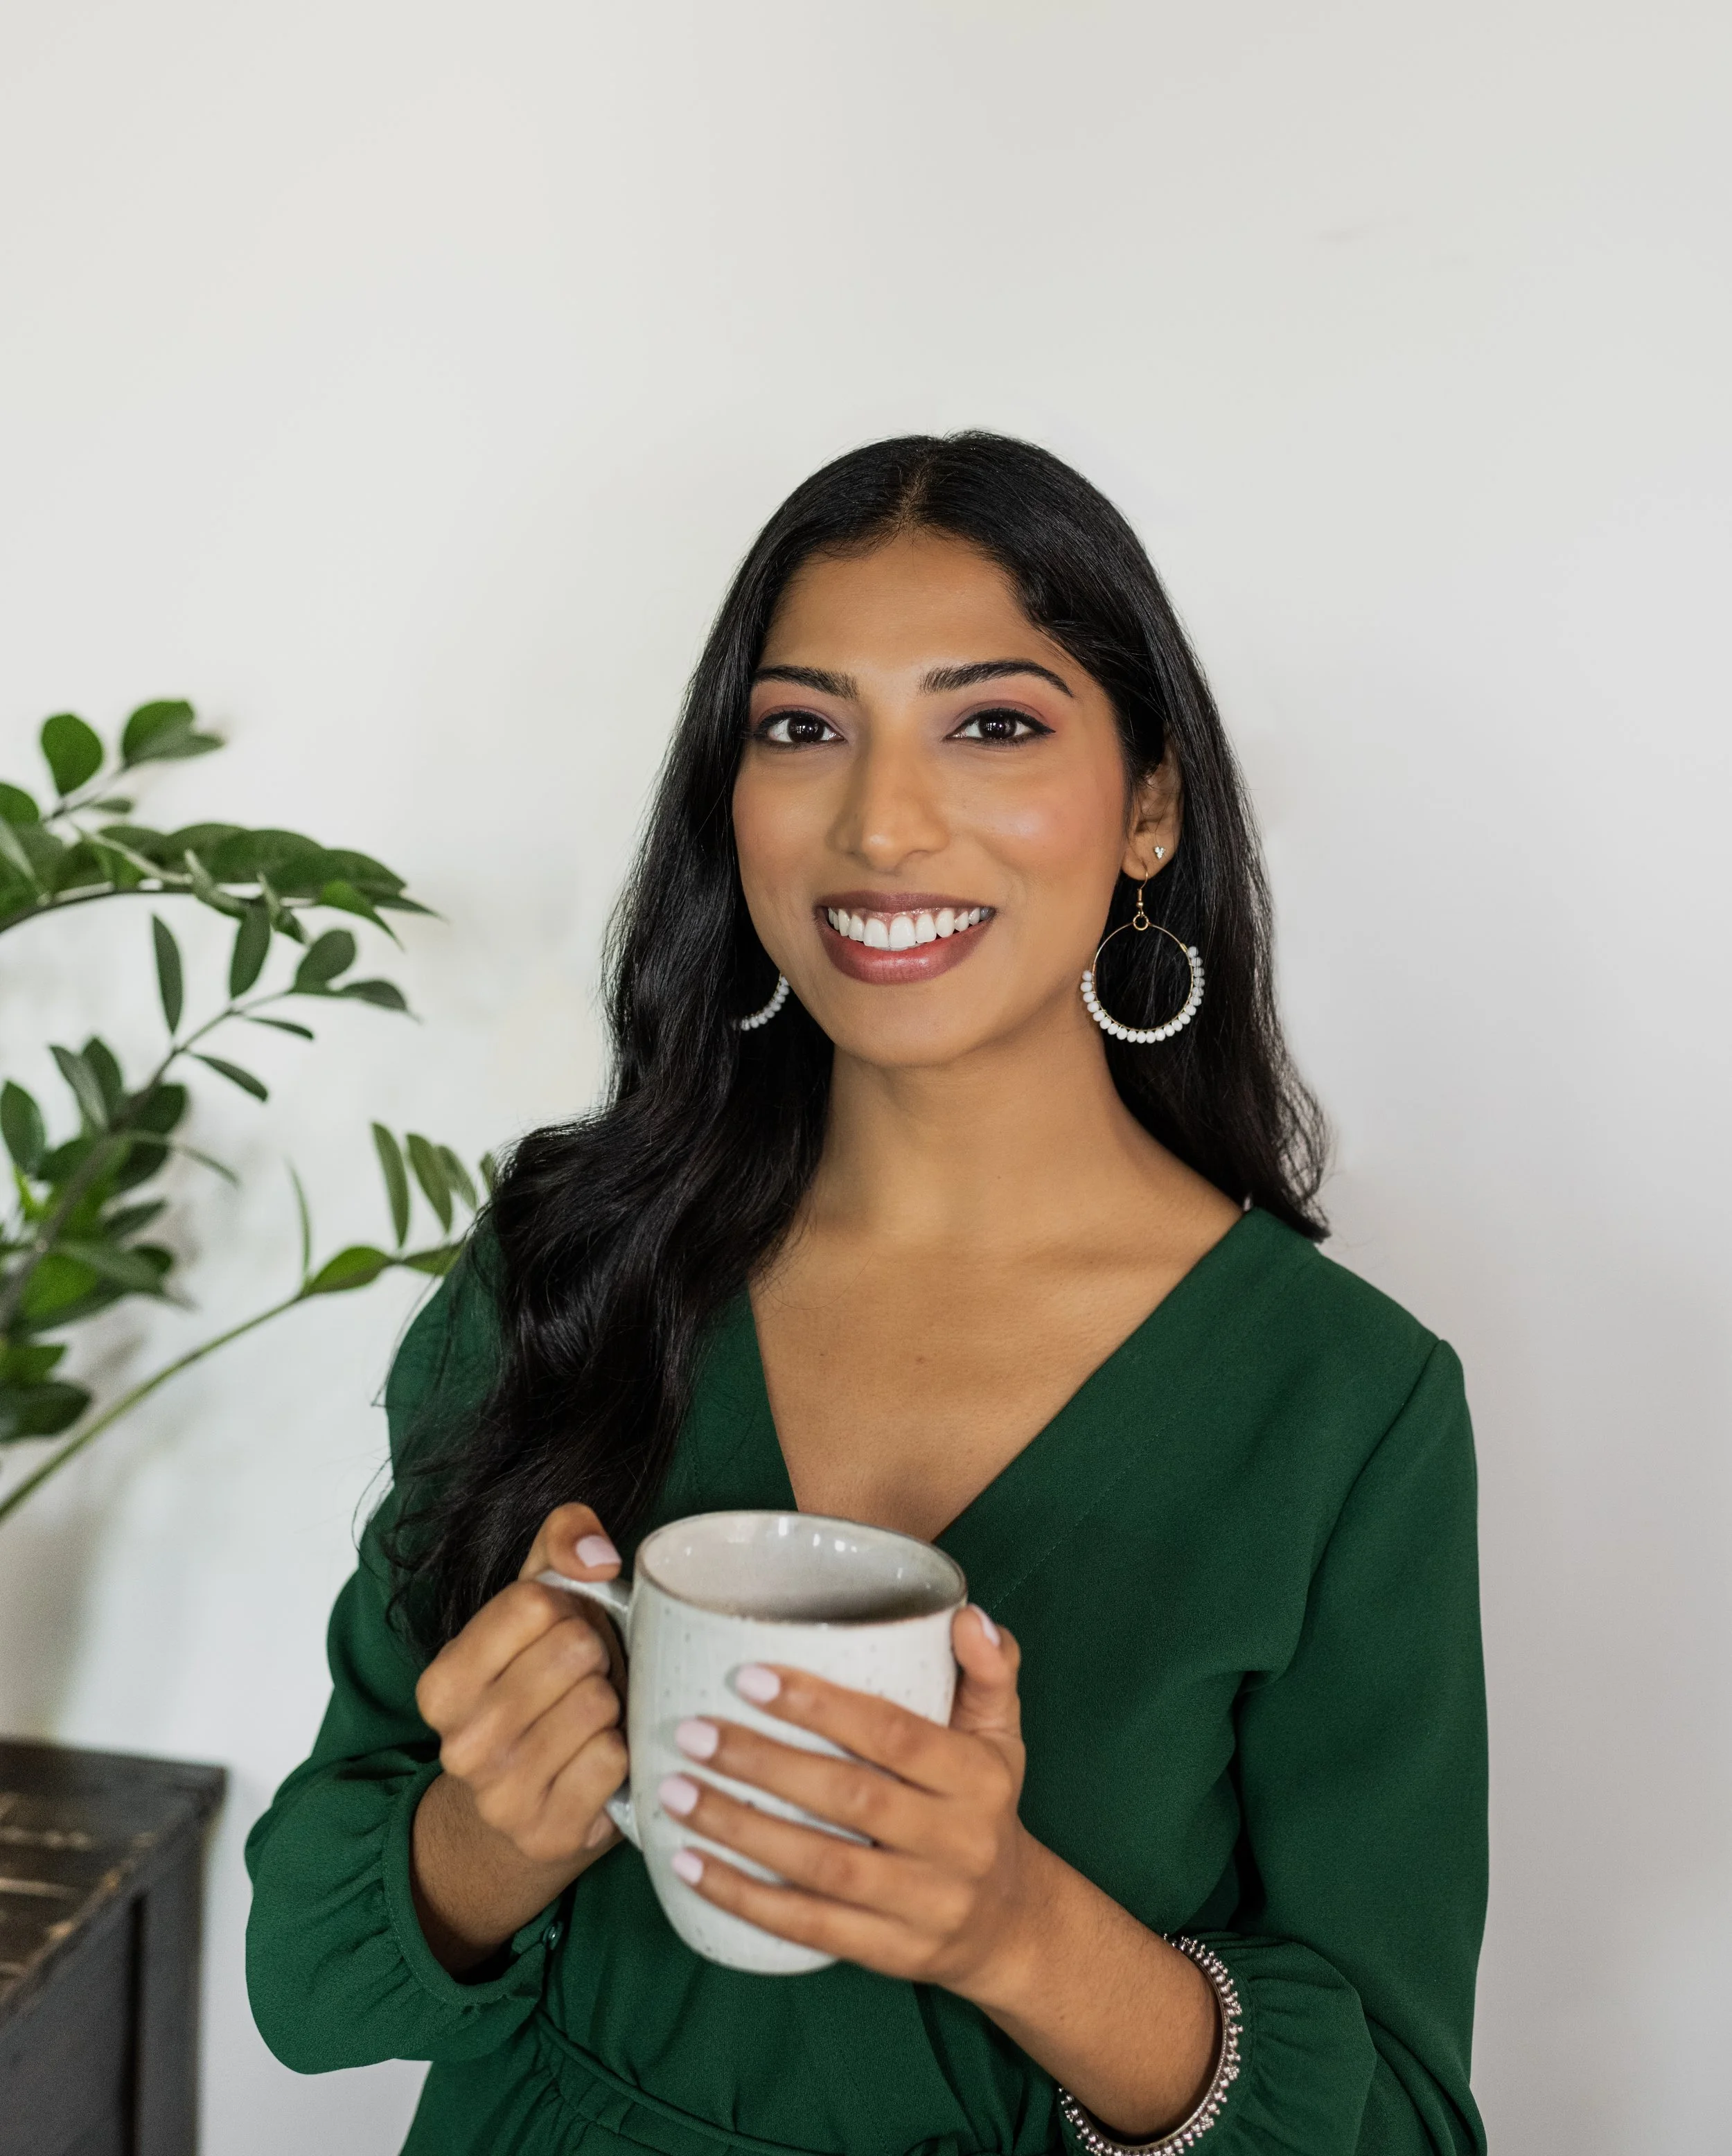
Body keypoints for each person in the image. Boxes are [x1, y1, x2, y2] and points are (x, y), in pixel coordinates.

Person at [246, 433, 1487, 2155]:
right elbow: (305, 1988)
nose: (880, 821)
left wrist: (1012, 1929)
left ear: (1149, 806)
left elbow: (1406, 2127)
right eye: (800, 727)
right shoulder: (568, 1270)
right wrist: (489, 1836)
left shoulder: (1341, 1404)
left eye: (991, 722)